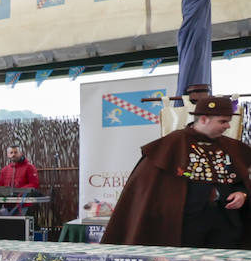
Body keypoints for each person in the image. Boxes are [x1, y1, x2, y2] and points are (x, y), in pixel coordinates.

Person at [103, 95, 251, 248]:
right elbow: (145, 188)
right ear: (204, 119)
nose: (227, 126)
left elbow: (241, 181)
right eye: (223, 121)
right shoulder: (171, 145)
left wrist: (242, 194)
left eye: (228, 121)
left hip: (226, 227)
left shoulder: (232, 147)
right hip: (186, 228)